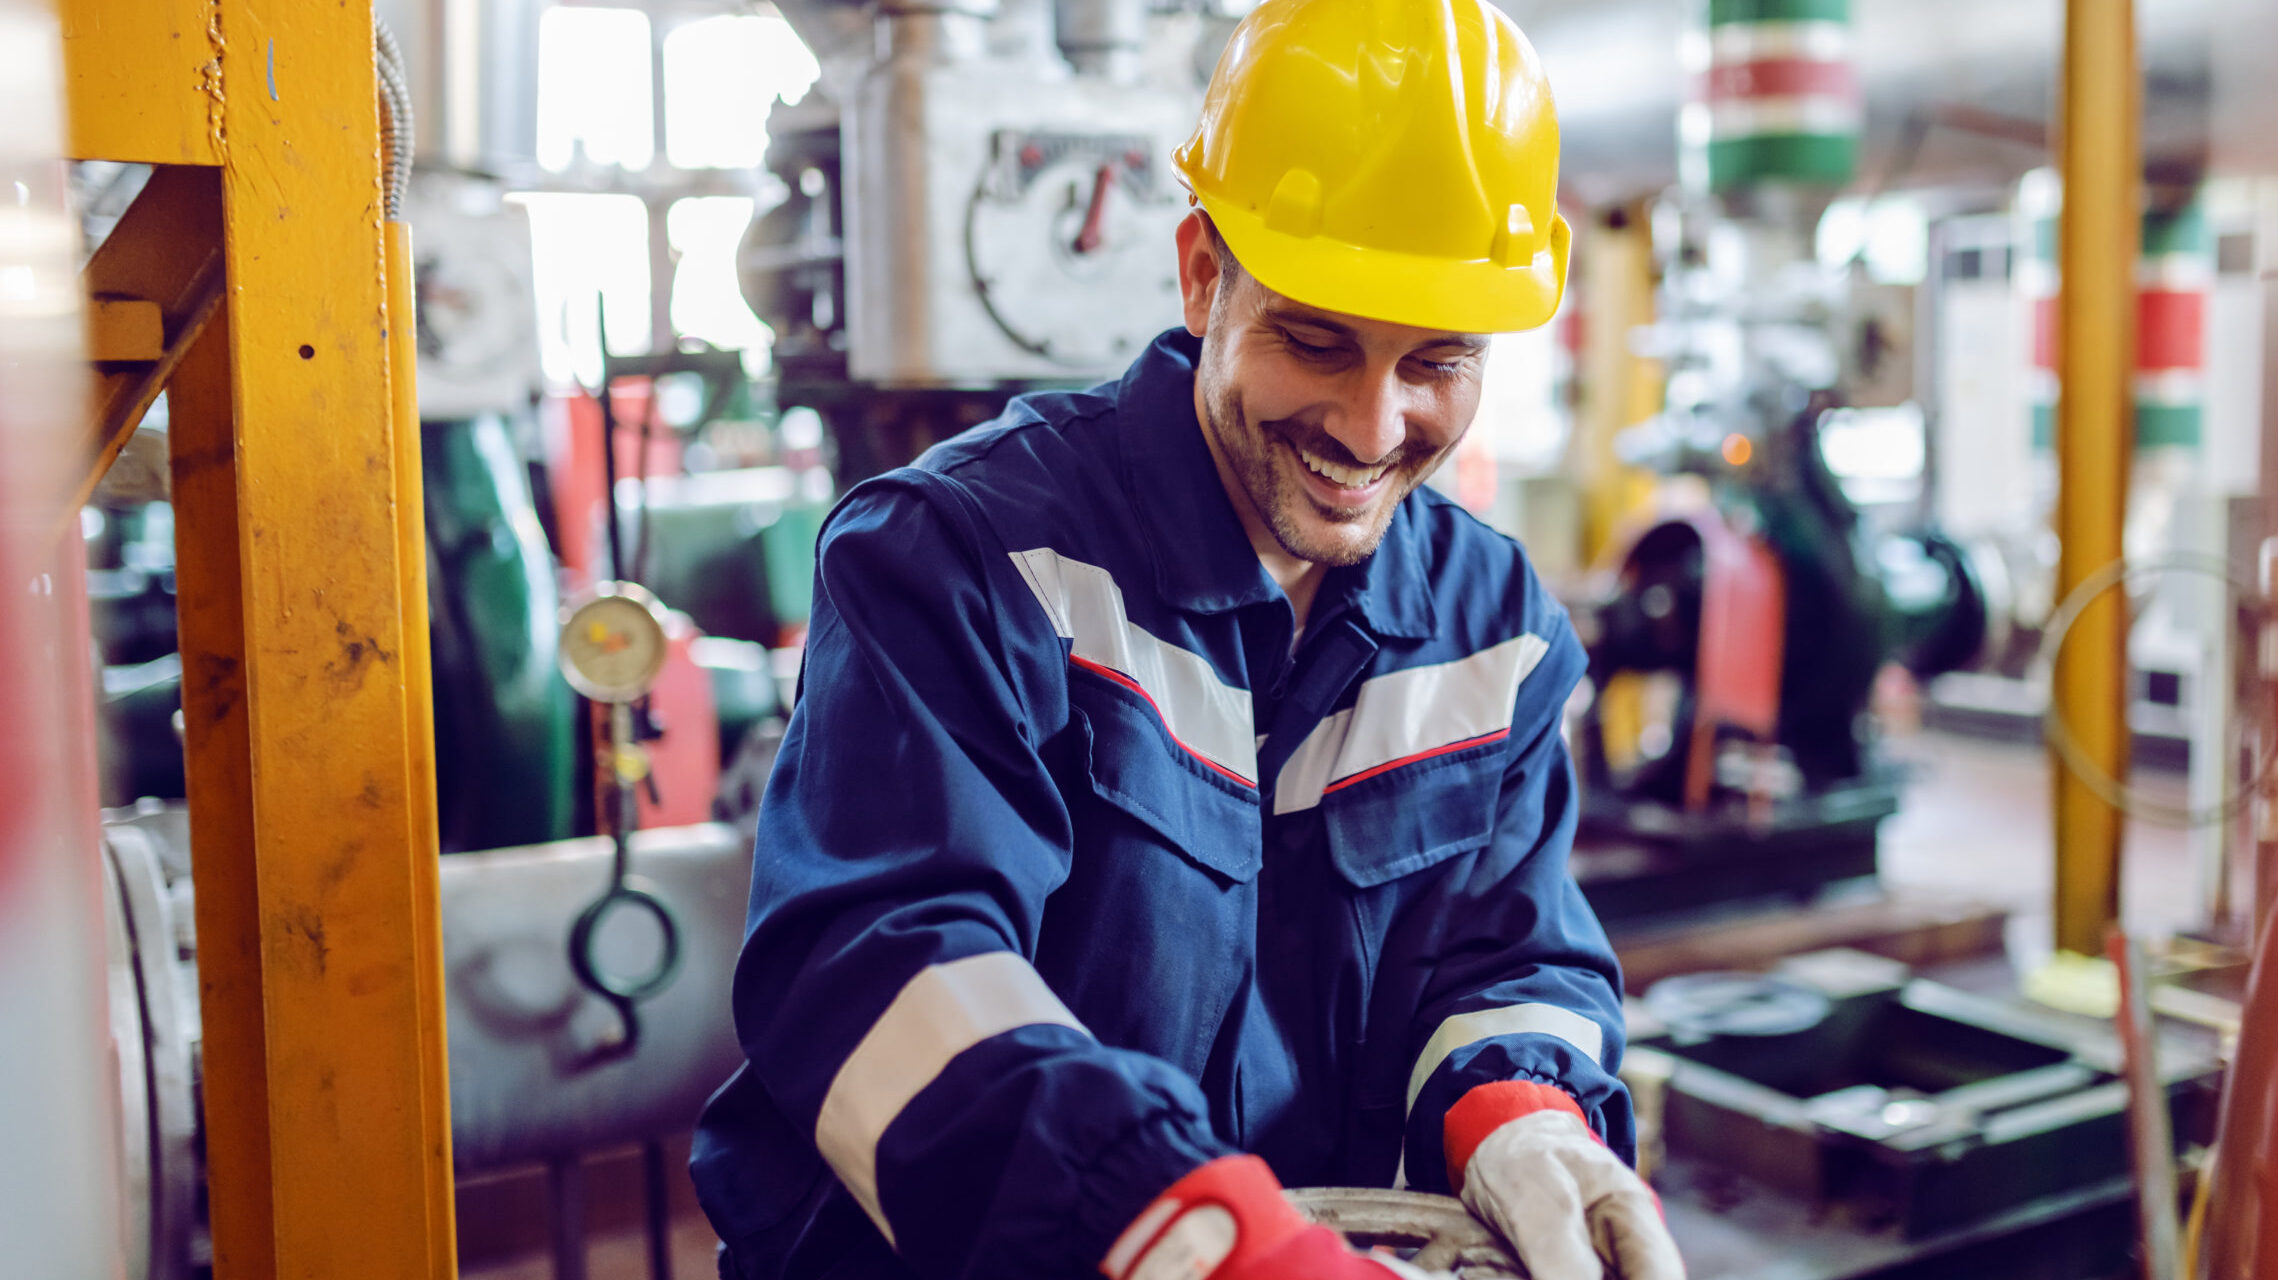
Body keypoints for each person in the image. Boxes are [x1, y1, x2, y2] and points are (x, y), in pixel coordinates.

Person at [690, 2, 1683, 1278]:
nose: (1373, 428)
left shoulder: (1493, 629)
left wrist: (1519, 1112)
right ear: (1205, 271)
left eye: (1436, 361)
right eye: (1316, 340)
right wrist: (1186, 1226)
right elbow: (883, 977)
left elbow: (1507, 952)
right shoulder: (960, 555)